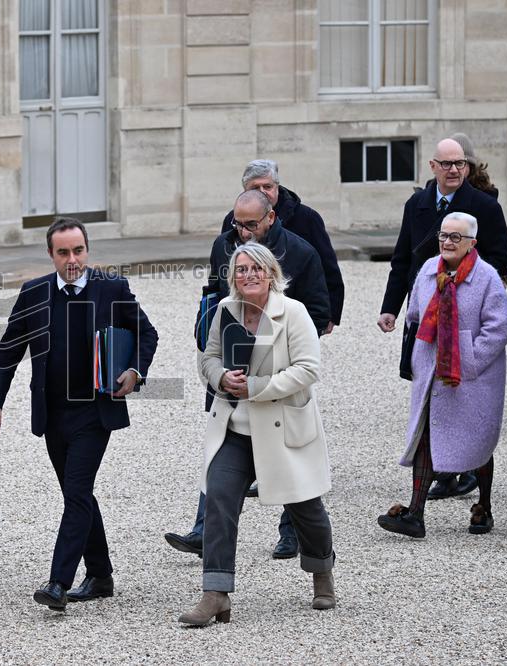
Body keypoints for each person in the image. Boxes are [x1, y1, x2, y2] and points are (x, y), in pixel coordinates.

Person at [0, 217, 158, 612]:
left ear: (87, 250)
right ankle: (101, 574)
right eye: (63, 252)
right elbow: (8, 351)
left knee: (76, 493)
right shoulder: (33, 293)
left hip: (95, 414)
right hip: (52, 414)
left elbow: (147, 334)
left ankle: (59, 582)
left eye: (78, 250)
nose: (72, 259)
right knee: (77, 495)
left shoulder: (112, 288)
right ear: (51, 255)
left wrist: (135, 371)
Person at [164, 189, 329, 561]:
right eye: (237, 223)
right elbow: (211, 300)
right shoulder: (225, 250)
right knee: (221, 488)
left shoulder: (301, 253)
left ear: (270, 218)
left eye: (249, 224)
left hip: (281, 406)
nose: (241, 232)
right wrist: (219, 373)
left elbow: (318, 315)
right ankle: (209, 558)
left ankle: (301, 546)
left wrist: (280, 355)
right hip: (234, 406)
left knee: (300, 495)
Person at [178, 241, 335, 627]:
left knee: (305, 508)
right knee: (218, 500)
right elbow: (208, 358)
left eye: (256, 269)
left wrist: (258, 386)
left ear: (271, 274)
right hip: (234, 428)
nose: (248, 275)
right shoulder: (224, 311)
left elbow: (308, 369)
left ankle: (322, 571)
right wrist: (220, 377)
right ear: (232, 277)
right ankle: (215, 594)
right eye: (241, 270)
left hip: (282, 428)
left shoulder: (293, 313)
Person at [378, 137, 507, 500]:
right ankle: (437, 480)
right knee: (429, 400)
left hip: (465, 316)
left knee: (468, 406)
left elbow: (501, 258)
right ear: (433, 167)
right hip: (428, 322)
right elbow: (402, 259)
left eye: (460, 164)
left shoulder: (483, 206)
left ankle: (468, 476)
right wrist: (391, 307)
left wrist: (472, 287)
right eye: (447, 164)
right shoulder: (417, 204)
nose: (454, 170)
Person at [220, 159, 345, 332]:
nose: (263, 193)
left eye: (267, 187)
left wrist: (331, 315)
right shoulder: (232, 221)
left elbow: (328, 268)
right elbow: (223, 268)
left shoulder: (307, 218)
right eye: (255, 188)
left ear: (277, 186)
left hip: (292, 317)